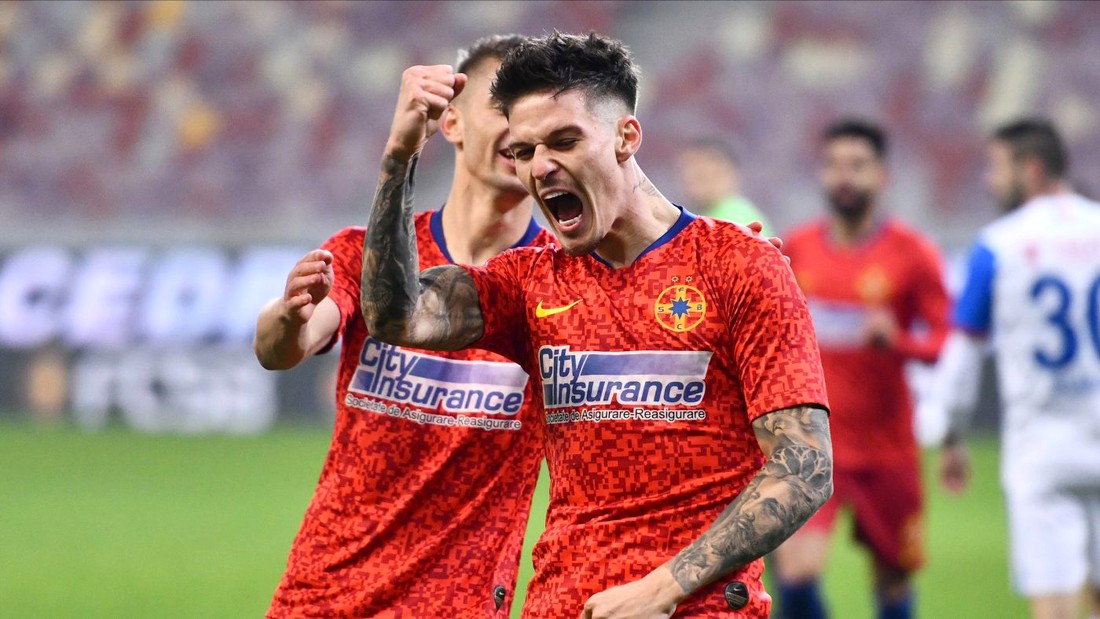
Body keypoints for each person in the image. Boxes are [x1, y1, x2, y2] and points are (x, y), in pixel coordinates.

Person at [360, 31, 832, 619]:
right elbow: (396, 315)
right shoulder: (528, 281)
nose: (541, 166)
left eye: (565, 141)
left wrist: (660, 589)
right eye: (523, 151)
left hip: (696, 609)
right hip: (559, 605)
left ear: (626, 137)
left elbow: (805, 468)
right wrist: (398, 160)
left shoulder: (739, 265)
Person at [253, 35, 558, 618]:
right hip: (326, 592)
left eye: (534, 115)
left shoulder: (556, 283)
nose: (519, 129)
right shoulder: (369, 254)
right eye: (503, 107)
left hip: (460, 604)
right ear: (452, 123)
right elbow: (284, 347)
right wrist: (287, 315)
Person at [776, 120, 950, 619]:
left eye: (857, 165)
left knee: (893, 583)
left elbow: (941, 343)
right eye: (833, 165)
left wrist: (899, 341)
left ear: (881, 175)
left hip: (886, 449)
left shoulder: (913, 253)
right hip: (813, 443)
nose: (844, 176)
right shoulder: (797, 249)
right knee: (796, 574)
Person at [935, 118, 1100, 619]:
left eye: (997, 167)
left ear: (1031, 169)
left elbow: (965, 351)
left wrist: (951, 433)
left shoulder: (997, 245)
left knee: (1053, 602)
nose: (990, 180)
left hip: (1041, 449)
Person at [676, 138, 772, 233]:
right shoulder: (721, 215)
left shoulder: (731, 219)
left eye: (701, 173)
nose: (689, 175)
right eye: (686, 167)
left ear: (728, 171)